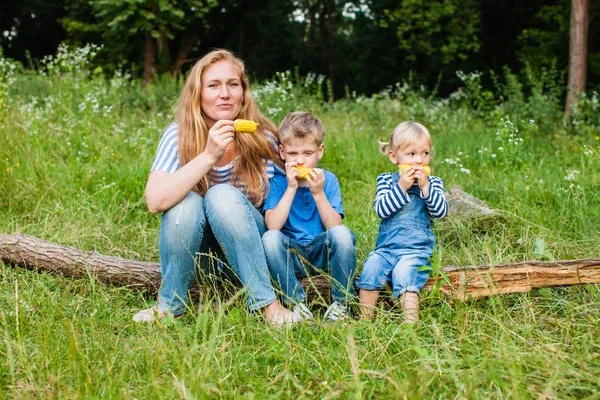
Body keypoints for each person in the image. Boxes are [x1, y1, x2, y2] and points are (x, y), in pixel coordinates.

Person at [133, 49, 299, 325]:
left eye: (233, 84)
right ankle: (168, 307)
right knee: (186, 202)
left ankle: (268, 305)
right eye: (213, 85)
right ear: (197, 94)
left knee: (221, 195)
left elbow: (296, 191)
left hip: (251, 253)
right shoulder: (178, 135)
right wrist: (208, 155)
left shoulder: (264, 138)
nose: (225, 93)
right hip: (202, 261)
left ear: (243, 93)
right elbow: (154, 201)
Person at [262, 111, 357, 323]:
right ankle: (296, 302)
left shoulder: (328, 180)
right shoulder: (277, 182)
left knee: (343, 234)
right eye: (293, 153)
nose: (300, 161)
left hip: (321, 254)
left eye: (307, 153)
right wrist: (291, 189)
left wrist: (318, 193)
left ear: (320, 151)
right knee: (269, 239)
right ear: (282, 152)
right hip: (291, 255)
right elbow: (272, 226)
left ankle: (342, 303)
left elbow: (334, 226)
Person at [357, 121, 448, 323]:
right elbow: (381, 210)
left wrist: (425, 188)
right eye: (411, 154)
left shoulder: (433, 183)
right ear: (393, 156)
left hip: (417, 250)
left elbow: (441, 213)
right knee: (371, 266)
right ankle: (365, 320)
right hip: (387, 248)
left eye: (424, 154)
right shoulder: (386, 181)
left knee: (404, 272)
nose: (419, 161)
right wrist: (401, 187)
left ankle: (410, 325)